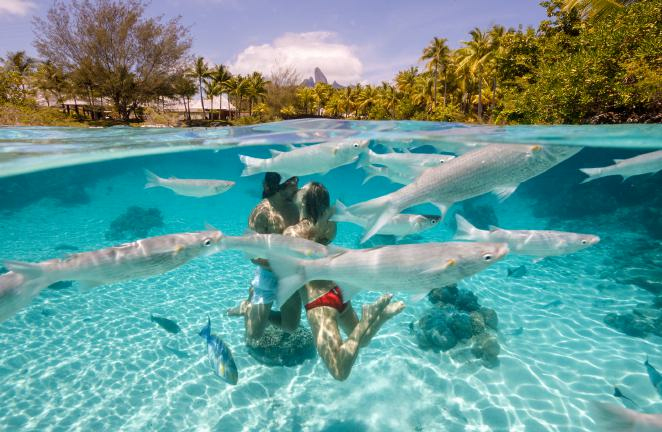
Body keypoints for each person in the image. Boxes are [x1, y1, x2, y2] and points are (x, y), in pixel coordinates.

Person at [283, 182, 405, 381]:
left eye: (300, 190)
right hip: (338, 290)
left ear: (304, 200)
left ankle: (370, 316)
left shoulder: (293, 232)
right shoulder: (330, 226)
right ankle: (381, 316)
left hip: (318, 300)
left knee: (339, 370)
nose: (296, 193)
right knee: (360, 340)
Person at [227, 172, 303, 339]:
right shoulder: (261, 212)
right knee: (254, 336)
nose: (297, 184)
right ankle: (248, 306)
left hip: (291, 276)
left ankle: (253, 309)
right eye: (293, 181)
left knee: (290, 327)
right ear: (280, 184)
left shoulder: (297, 206)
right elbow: (253, 255)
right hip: (268, 274)